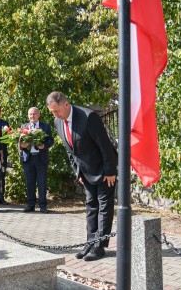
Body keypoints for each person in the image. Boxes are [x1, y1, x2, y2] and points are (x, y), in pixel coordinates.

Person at [46, 91, 117, 262]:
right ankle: (90, 242)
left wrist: (109, 171)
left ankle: (99, 246)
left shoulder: (88, 117)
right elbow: (70, 150)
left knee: (104, 208)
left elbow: (105, 145)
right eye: (52, 112)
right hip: (85, 172)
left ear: (66, 104)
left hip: (103, 171)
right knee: (91, 206)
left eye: (57, 111)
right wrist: (77, 171)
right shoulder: (58, 122)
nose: (55, 115)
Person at [19, 107, 54, 213]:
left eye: (34, 114)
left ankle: (43, 206)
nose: (32, 116)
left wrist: (44, 145)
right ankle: (31, 205)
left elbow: (51, 140)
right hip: (28, 158)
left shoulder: (45, 126)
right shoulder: (24, 127)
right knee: (29, 182)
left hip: (40, 158)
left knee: (41, 183)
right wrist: (22, 145)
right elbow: (19, 142)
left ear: (38, 115)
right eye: (30, 114)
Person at [0, 105, 10, 205]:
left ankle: (1, 197)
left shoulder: (5, 124)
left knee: (2, 175)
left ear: (0, 113)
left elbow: (8, 138)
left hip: (3, 152)